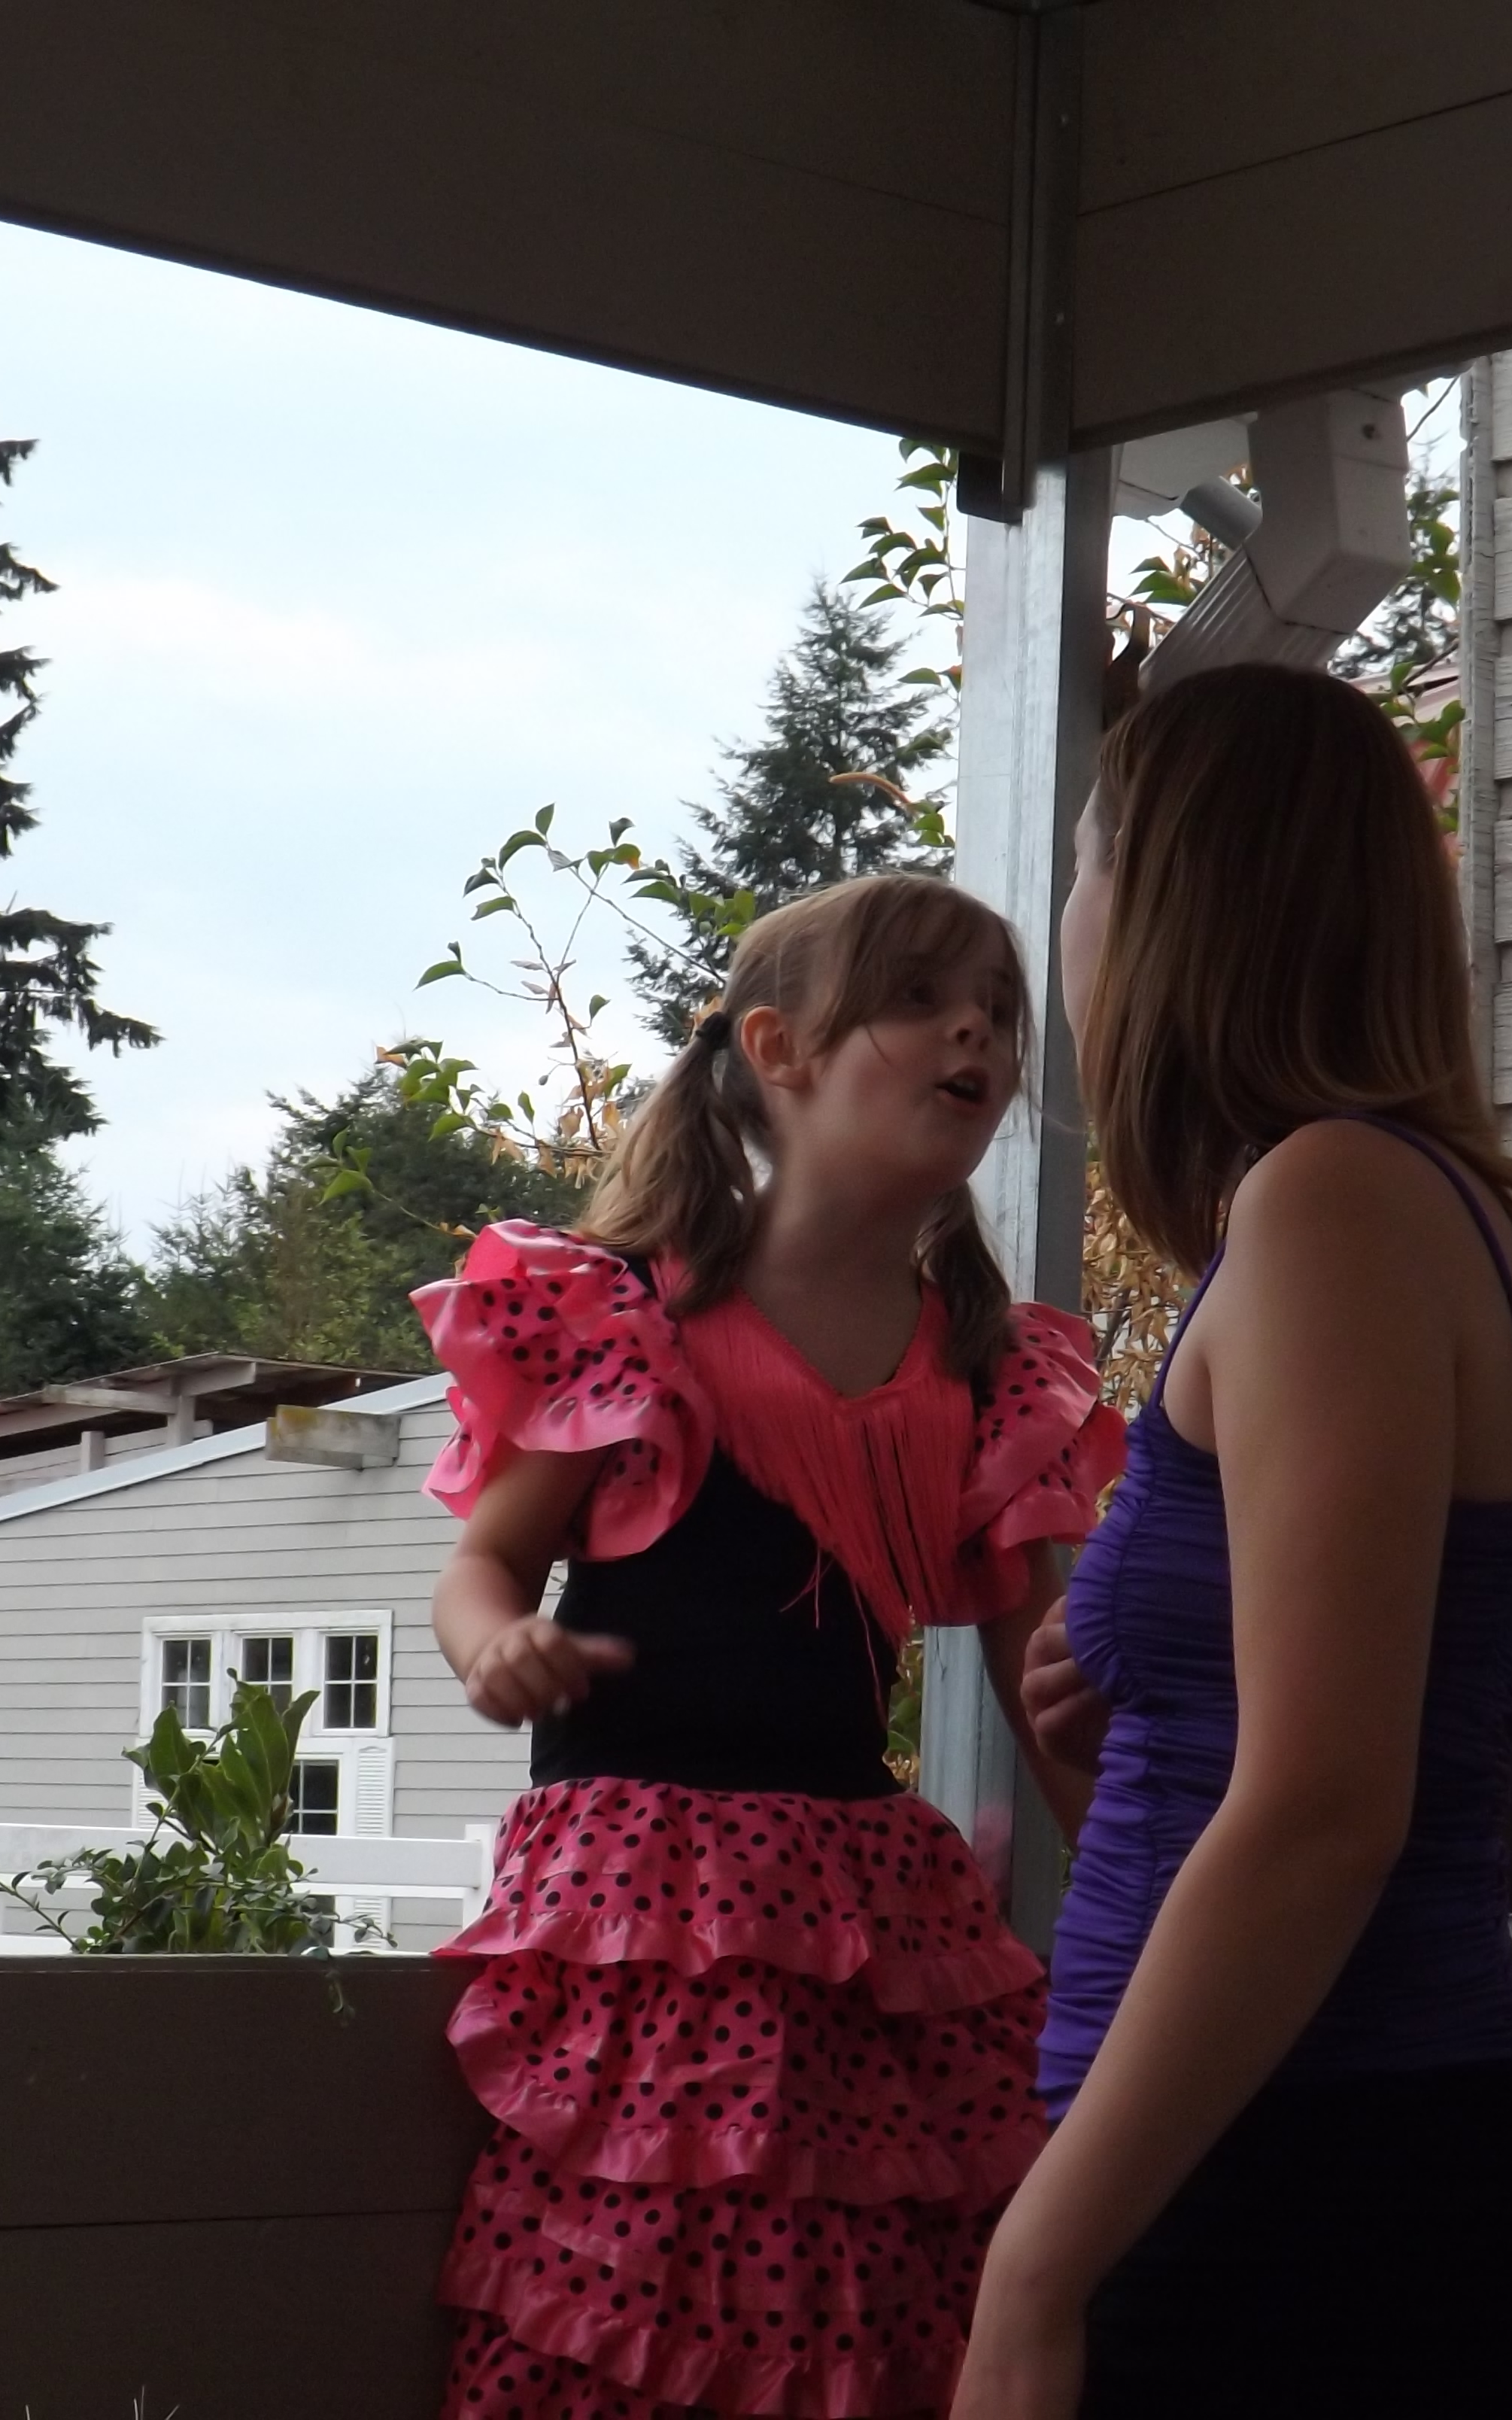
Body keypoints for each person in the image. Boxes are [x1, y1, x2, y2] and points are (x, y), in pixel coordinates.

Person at [954, 664, 1512, 2418]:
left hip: (1288, 2222)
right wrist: (1163, 1736)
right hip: (1387, 2185)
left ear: (1168, 903)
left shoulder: (1325, 1206)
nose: (1064, 926)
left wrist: (1030, 2277)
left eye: (1084, 863)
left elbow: (1329, 1810)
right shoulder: (1460, 1242)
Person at [414, 872, 1126, 2420]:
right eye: (921, 1000)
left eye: (997, 1013)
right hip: (644, 1894)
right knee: (646, 2270)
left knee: (879, 2291)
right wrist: (492, 1646)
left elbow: (1050, 1697)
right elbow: (485, 1565)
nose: (975, 1034)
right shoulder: (627, 1317)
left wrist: (1145, 1917)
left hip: (866, 1902)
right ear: (778, 1050)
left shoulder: (986, 1368)